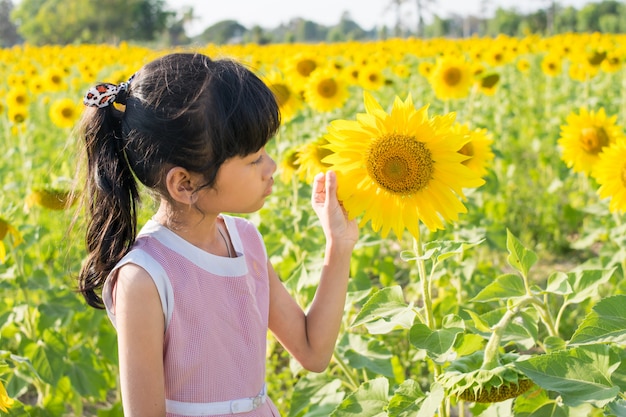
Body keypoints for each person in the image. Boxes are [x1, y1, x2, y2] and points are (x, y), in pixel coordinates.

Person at [76, 52, 359, 417]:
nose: (271, 167)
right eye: (253, 159)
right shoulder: (144, 278)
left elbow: (313, 351)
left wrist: (339, 245)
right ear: (185, 183)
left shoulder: (244, 240)